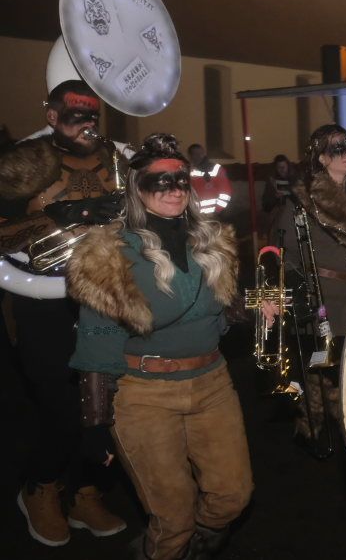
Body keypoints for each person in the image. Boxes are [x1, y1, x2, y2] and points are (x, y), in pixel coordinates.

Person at [66, 133, 253, 559]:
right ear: (138, 189)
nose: (174, 189)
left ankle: (199, 543)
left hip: (212, 382)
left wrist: (250, 312)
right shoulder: (110, 253)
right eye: (160, 181)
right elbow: (97, 339)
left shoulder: (211, 242)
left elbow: (215, 313)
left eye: (181, 180)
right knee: (173, 518)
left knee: (232, 496)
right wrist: (95, 426)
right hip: (144, 393)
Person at [0, 80, 127, 547]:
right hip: (45, 303)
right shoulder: (26, 162)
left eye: (93, 114)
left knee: (105, 406)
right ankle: (40, 486)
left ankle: (85, 491)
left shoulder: (115, 156)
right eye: (75, 115)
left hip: (106, 297)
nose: (87, 123)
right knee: (60, 408)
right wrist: (60, 217)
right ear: (51, 116)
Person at [271, 124, 346, 441]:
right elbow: (285, 253)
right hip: (325, 298)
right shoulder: (303, 200)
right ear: (320, 157)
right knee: (326, 372)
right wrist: (297, 294)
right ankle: (318, 427)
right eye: (337, 149)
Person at [187, 143, 233, 215]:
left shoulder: (216, 169)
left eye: (201, 153)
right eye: (195, 154)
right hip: (195, 214)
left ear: (204, 154)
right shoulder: (187, 170)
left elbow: (225, 193)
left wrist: (218, 210)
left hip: (214, 214)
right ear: (190, 156)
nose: (199, 156)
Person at [261, 153, 297, 239]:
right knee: (278, 214)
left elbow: (301, 199)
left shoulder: (295, 179)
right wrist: (275, 197)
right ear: (276, 169)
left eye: (283, 167)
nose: (282, 170)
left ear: (288, 167)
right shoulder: (271, 181)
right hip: (277, 209)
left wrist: (290, 193)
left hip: (292, 209)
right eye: (279, 168)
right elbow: (265, 205)